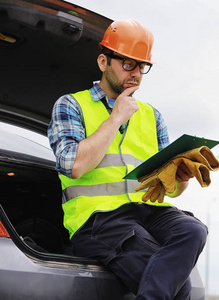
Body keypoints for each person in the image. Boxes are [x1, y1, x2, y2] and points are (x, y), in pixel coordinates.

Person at [47, 19, 208, 299]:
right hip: (97, 220)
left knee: (193, 230)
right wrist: (116, 117)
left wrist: (181, 178)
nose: (135, 73)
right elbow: (74, 165)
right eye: (127, 64)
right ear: (103, 62)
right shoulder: (71, 105)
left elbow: (168, 188)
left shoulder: (152, 116)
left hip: (146, 212)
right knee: (178, 288)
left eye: (141, 66)